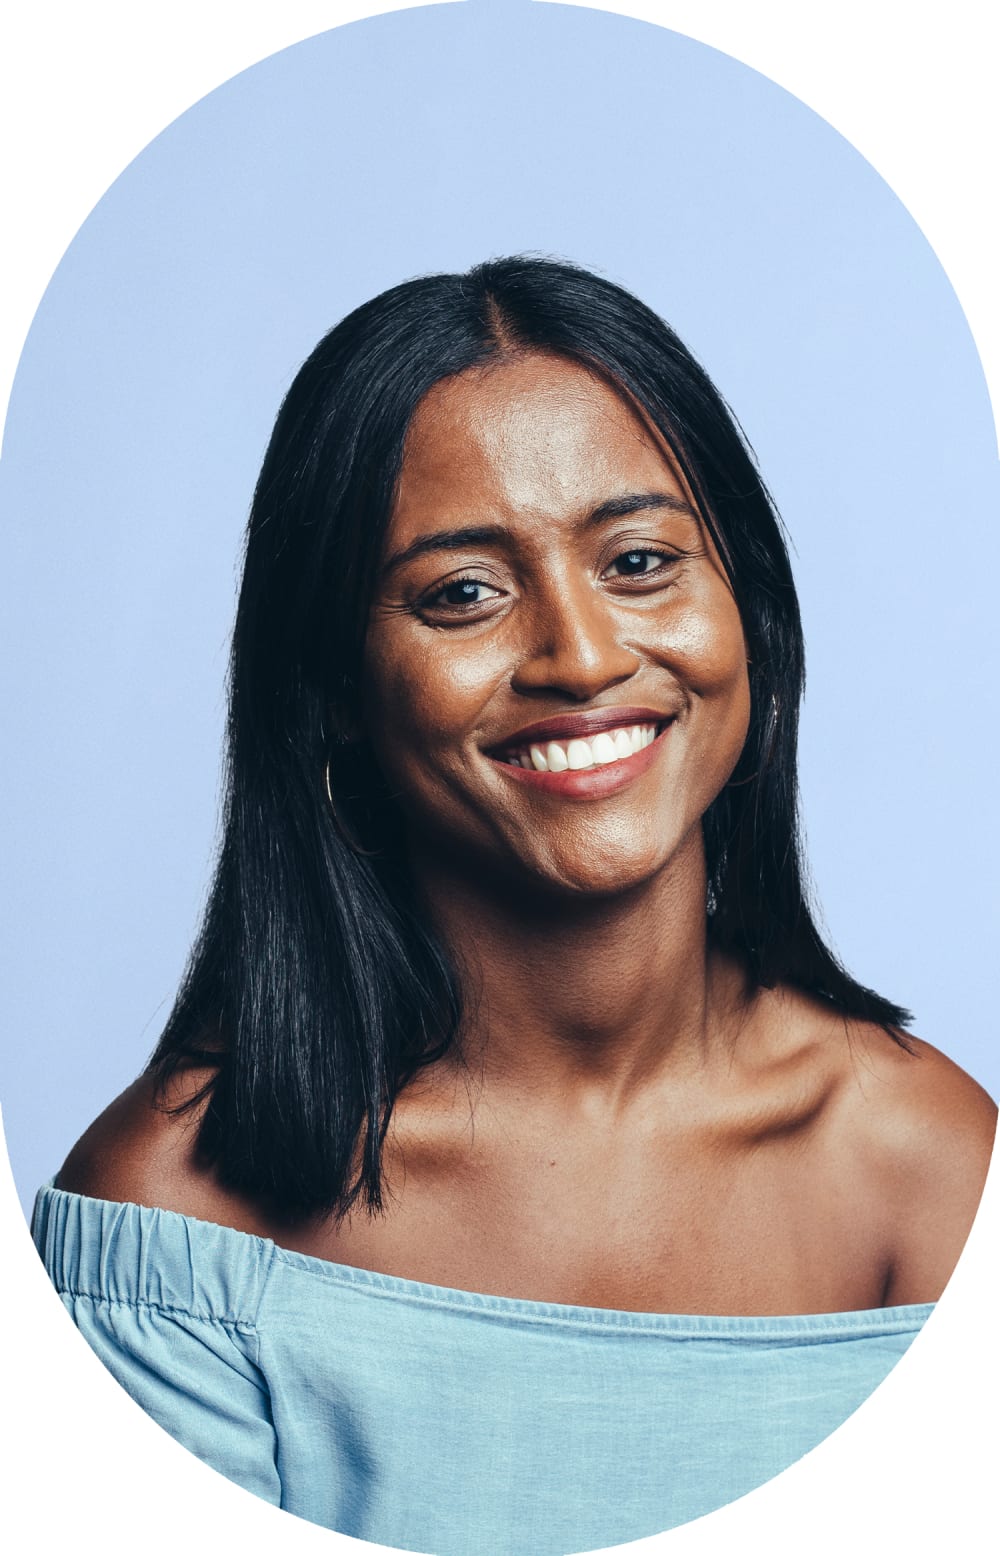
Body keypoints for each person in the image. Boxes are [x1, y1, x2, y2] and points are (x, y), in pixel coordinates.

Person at [32, 257, 996, 1555]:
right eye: (463, 594)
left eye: (641, 561)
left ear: (749, 614)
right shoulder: (174, 1211)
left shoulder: (931, 1169)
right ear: (333, 689)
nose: (583, 658)